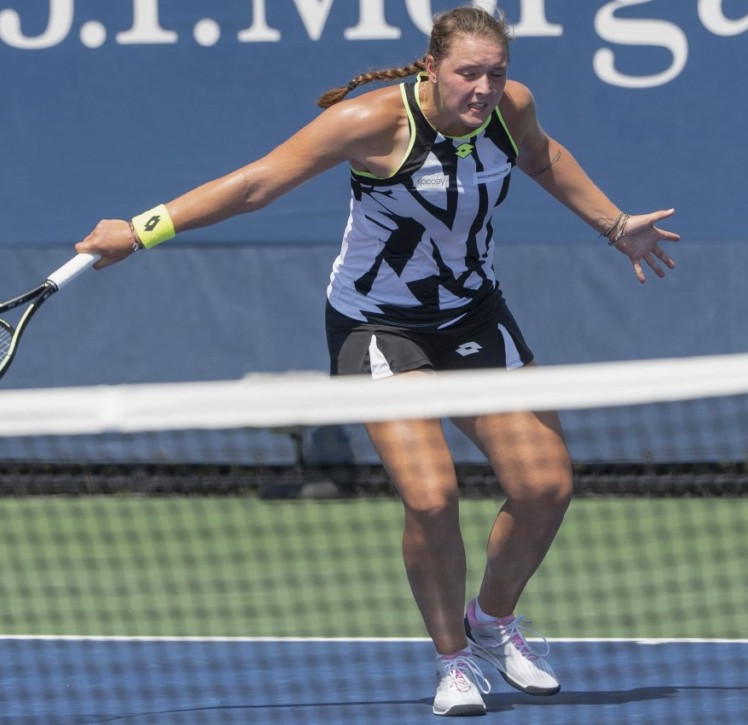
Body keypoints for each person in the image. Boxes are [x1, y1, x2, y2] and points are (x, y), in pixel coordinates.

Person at [76, 4, 679, 717]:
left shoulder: (511, 108)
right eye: (468, 73)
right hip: (378, 326)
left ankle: (491, 620)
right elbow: (257, 182)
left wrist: (615, 225)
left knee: (545, 485)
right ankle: (453, 659)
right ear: (431, 67)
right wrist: (140, 231)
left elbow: (543, 156)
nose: (484, 87)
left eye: (495, 73)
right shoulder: (370, 123)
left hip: (474, 317)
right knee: (431, 497)